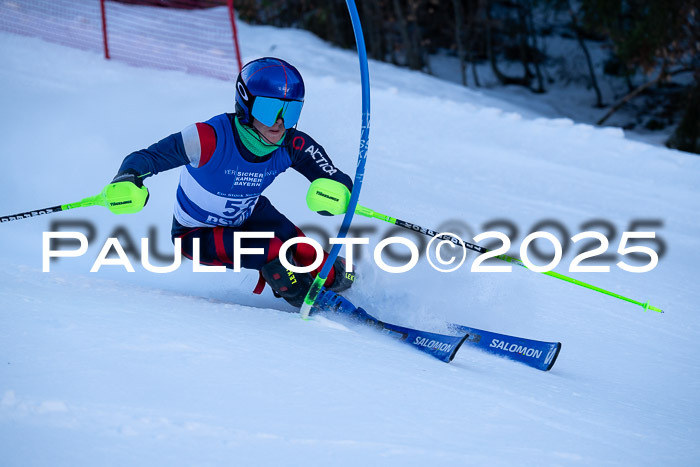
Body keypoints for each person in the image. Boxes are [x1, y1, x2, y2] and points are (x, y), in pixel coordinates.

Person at [110, 57, 354, 307]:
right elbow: (146, 158)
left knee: (302, 248)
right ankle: (316, 307)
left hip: (248, 213)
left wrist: (338, 191)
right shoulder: (208, 139)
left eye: (290, 111)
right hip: (196, 233)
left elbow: (334, 176)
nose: (280, 122)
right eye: (269, 110)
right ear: (246, 105)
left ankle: (340, 279)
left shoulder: (293, 144)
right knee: (271, 251)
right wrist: (128, 177)